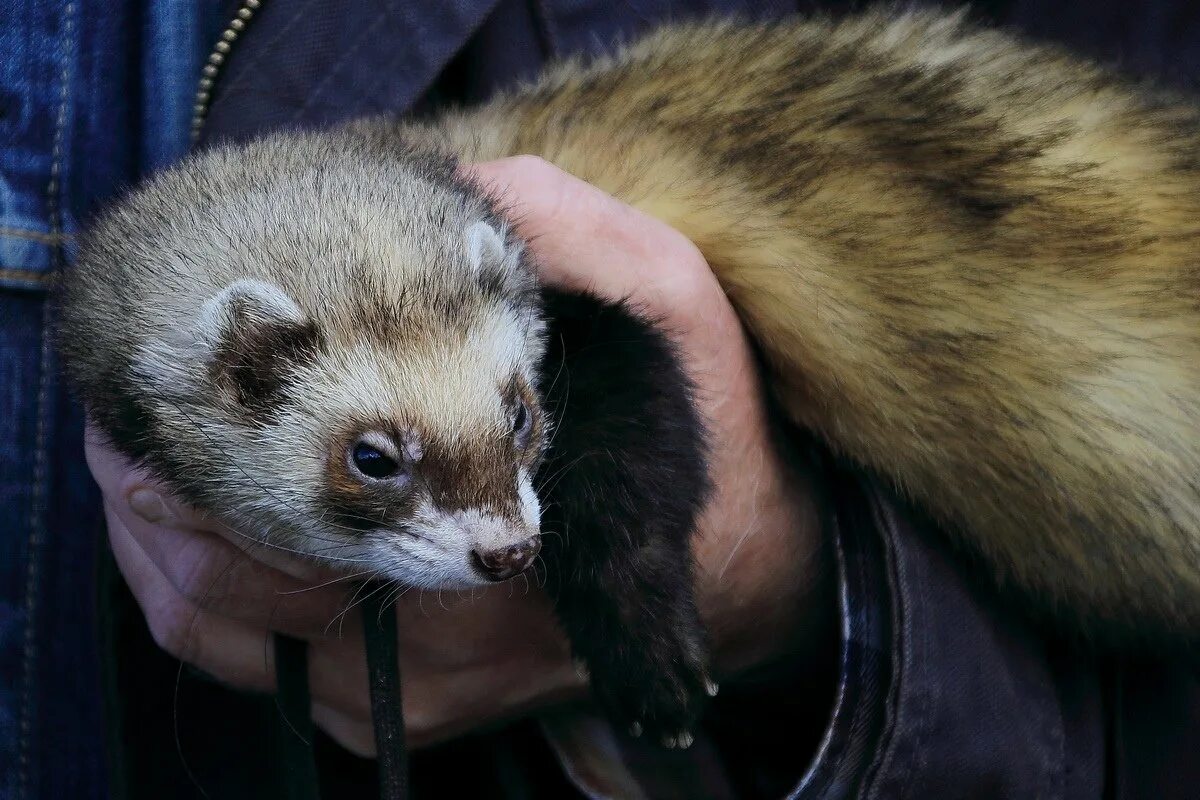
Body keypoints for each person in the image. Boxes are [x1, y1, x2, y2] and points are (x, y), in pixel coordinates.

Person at [5, 1, 1200, 798]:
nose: (510, 525)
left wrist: (774, 589)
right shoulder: (229, 329)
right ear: (237, 374)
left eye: (521, 424)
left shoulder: (500, 257)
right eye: (377, 458)